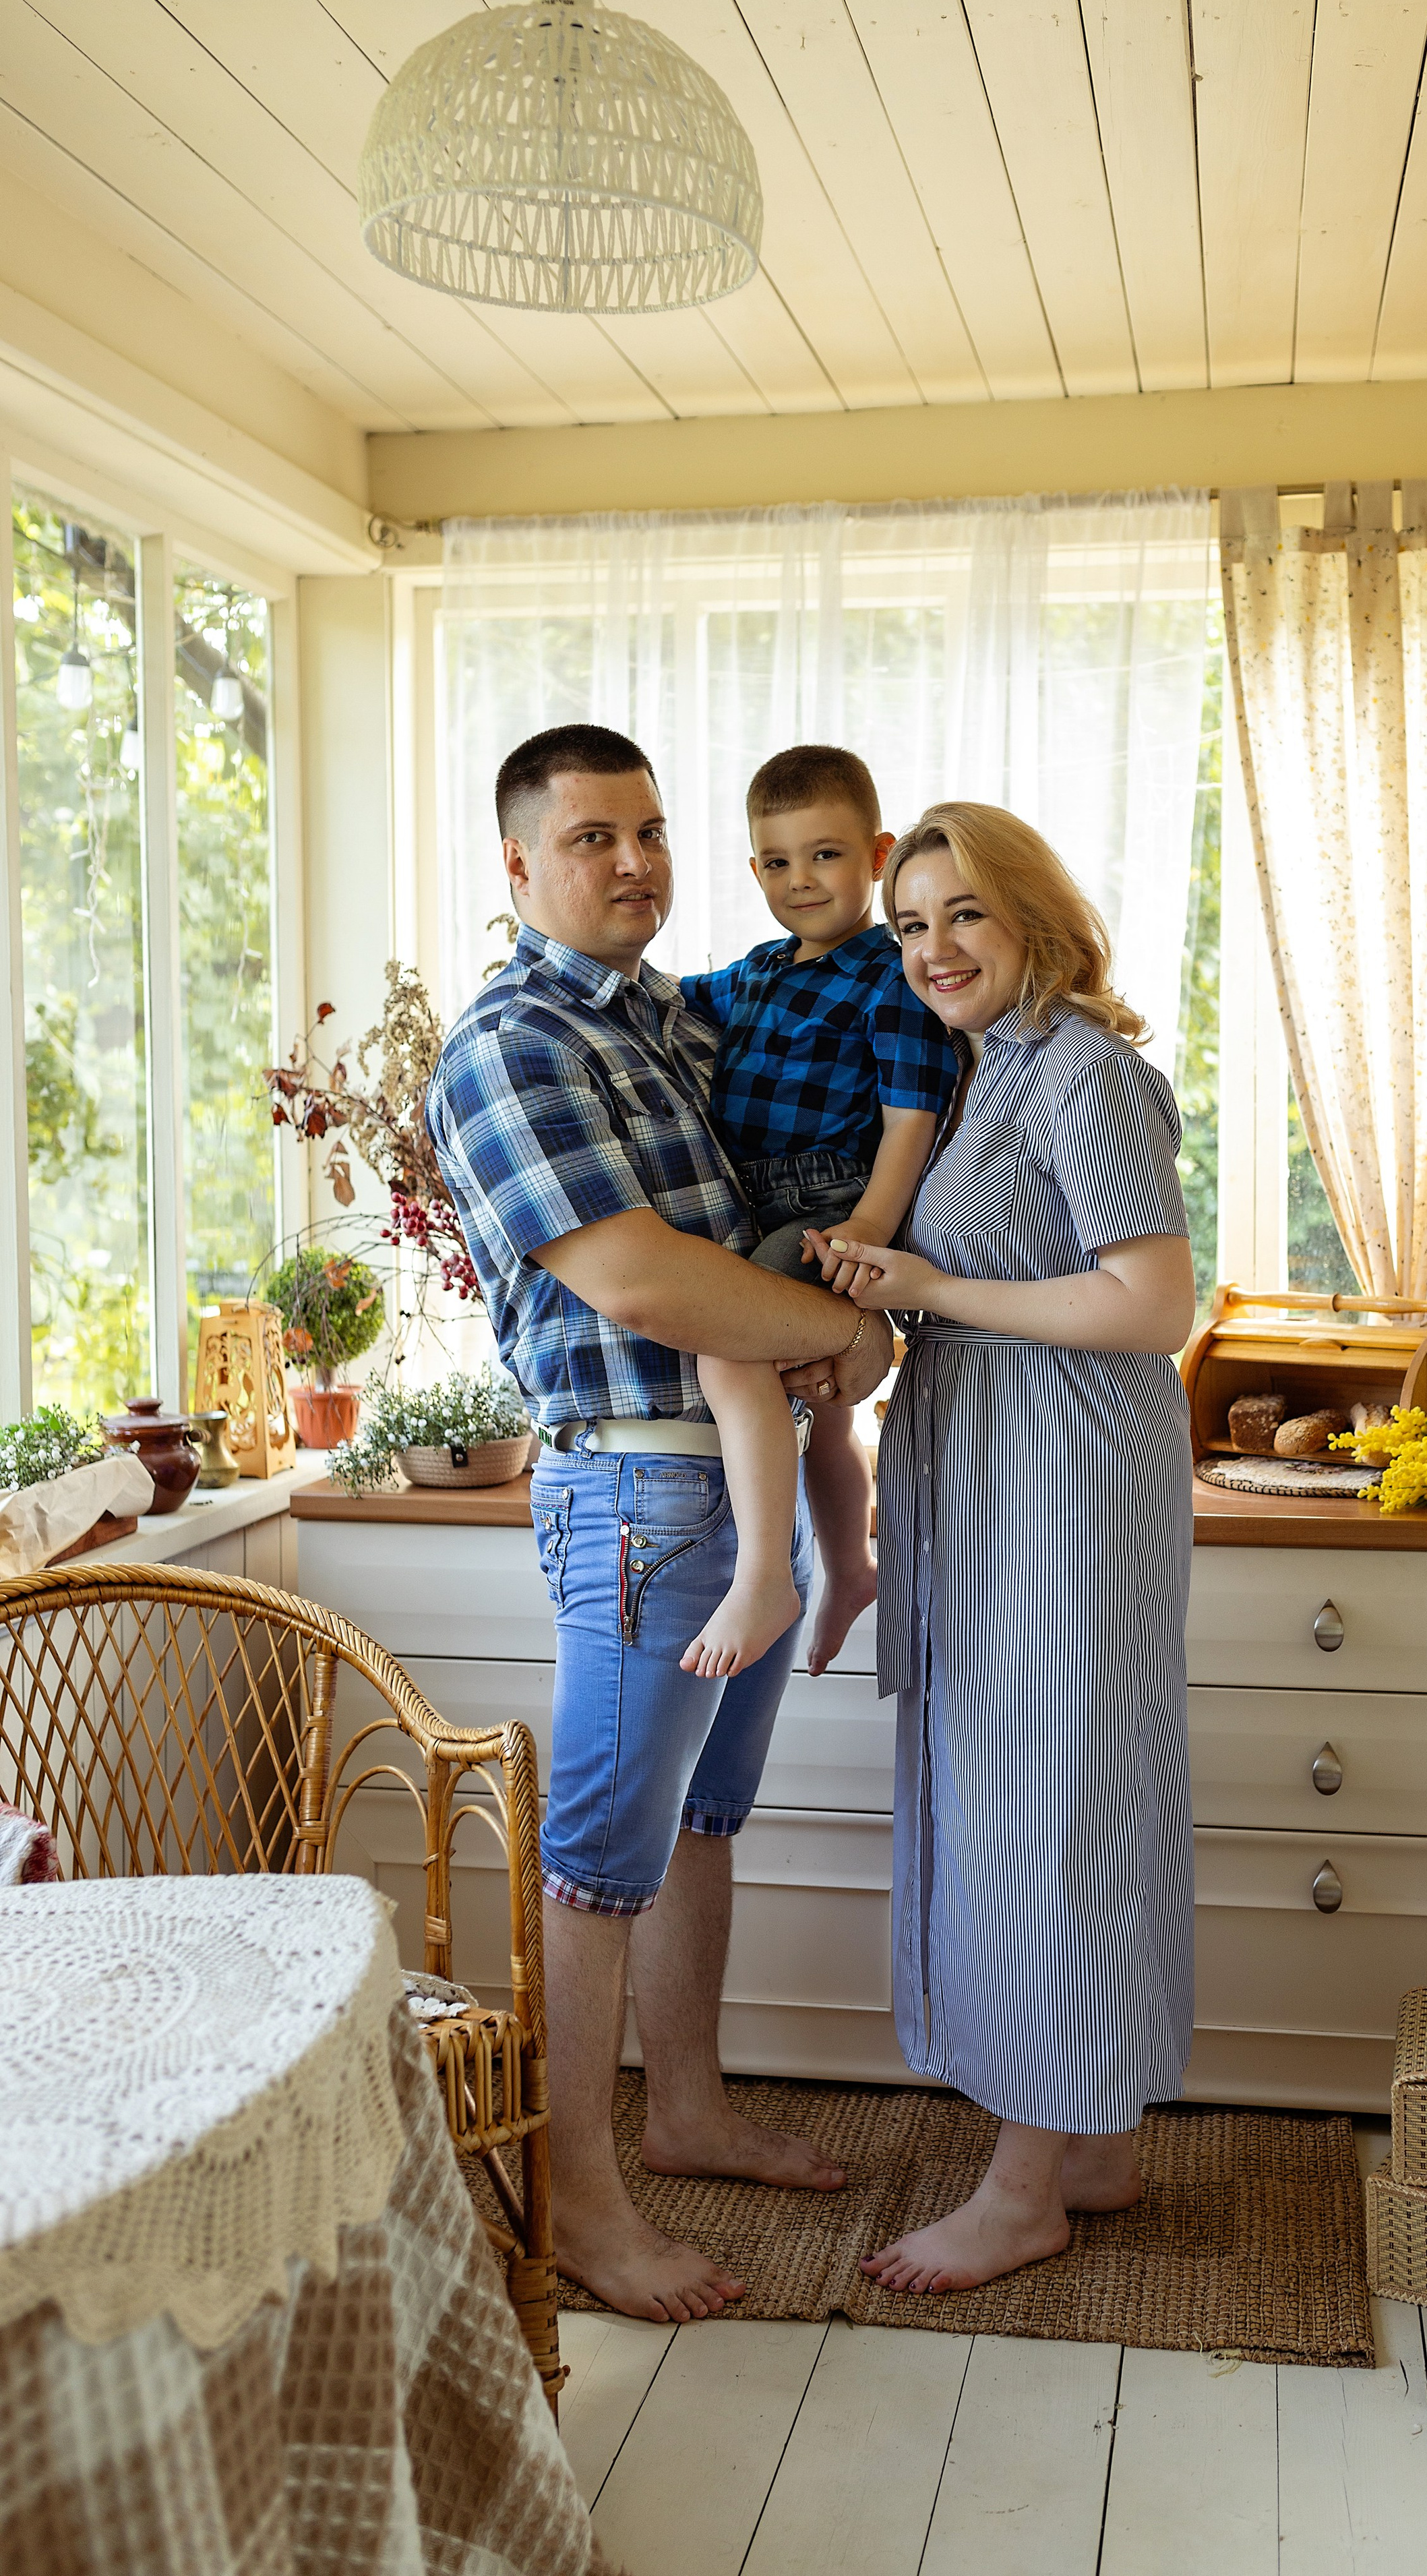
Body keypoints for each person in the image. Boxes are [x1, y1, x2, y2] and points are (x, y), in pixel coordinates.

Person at [425, 723, 895, 2327]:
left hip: (736, 1463)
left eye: (647, 830)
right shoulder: (507, 1046)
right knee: (596, 1861)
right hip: (640, 1486)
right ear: (516, 867)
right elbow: (627, 1274)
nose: (631, 862)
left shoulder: (671, 1028)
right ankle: (576, 2203)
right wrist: (821, 1331)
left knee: (702, 1823)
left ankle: (684, 2111)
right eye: (587, 839)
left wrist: (852, 1316)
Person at [819, 802, 1197, 2296]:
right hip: (991, 1465)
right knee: (1045, 1792)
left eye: (961, 915)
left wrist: (930, 1287)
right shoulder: (994, 1076)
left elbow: (1149, 1305)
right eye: (908, 926)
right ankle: (1088, 2134)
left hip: (1060, 1480)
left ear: (1031, 912)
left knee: (1049, 1806)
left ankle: (1025, 2186)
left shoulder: (1085, 1074)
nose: (930, 951)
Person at [678, 744, 957, 1681]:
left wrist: (873, 1225)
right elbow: (667, 1005)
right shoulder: (757, 973)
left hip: (828, 1198)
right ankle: (849, 1568)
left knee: (726, 1346)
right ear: (755, 869)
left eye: (826, 856)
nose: (802, 881)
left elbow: (911, 1114)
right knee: (829, 1423)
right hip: (760, 1198)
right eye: (779, 862)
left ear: (877, 855)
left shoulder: (891, 975)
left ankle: (765, 1574)